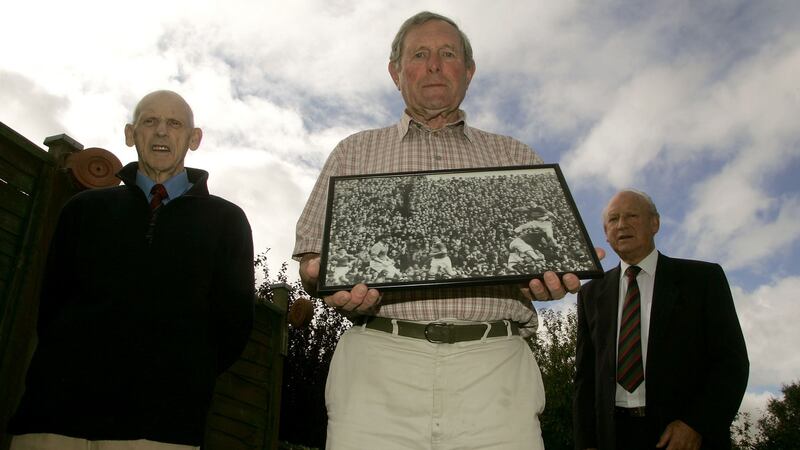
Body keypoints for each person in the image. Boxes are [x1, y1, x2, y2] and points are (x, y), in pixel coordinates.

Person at [294, 11, 589, 449]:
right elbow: (311, 262)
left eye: (447, 54)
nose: (434, 64)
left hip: (496, 378)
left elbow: (545, 257)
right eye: (420, 54)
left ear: (468, 71)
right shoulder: (353, 153)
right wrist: (325, 282)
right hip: (376, 377)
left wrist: (551, 277)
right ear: (396, 72)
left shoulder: (514, 156)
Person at [8, 90, 255, 450]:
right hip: (54, 416)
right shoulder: (83, 209)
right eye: (149, 121)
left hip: (161, 427)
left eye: (174, 123)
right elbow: (50, 306)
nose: (160, 132)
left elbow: (234, 326)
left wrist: (182, 379)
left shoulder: (228, 221)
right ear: (130, 133)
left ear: (194, 138)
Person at [573, 189, 748, 450]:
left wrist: (696, 424)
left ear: (655, 223)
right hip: (612, 435)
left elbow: (730, 363)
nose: (621, 225)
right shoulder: (590, 293)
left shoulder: (703, 279)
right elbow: (585, 377)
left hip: (681, 436)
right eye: (613, 219)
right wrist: (586, 442)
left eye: (631, 215)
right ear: (606, 234)